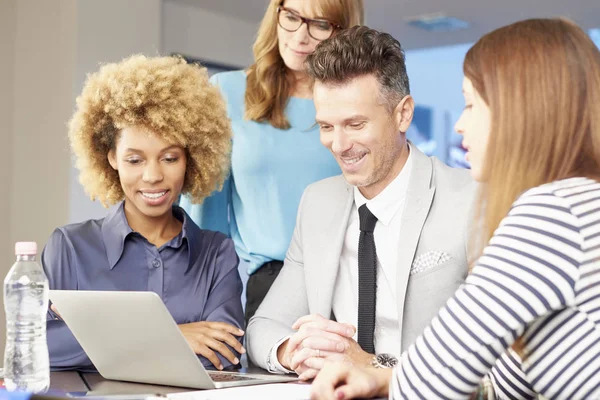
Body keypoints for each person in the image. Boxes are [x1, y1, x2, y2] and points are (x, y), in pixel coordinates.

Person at [311, 18, 600, 400]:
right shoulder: (583, 202)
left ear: (521, 111)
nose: (460, 125)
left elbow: (438, 375)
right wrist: (384, 379)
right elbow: (502, 385)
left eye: (470, 103)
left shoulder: (552, 215)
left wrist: (384, 375)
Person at [246, 26, 477, 379]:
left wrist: (373, 366)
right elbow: (263, 326)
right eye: (326, 126)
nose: (338, 145)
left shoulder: (471, 201)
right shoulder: (317, 203)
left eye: (354, 124)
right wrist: (293, 351)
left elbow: (492, 358)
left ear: (403, 114)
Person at [44, 55, 245, 372]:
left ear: (190, 159)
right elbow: (47, 348)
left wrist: (99, 341)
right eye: (135, 160)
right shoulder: (70, 248)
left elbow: (223, 355)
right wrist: (174, 336)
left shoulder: (216, 253)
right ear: (112, 158)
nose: (152, 176)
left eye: (169, 158)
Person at [179, 0, 364, 329]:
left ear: (342, 31)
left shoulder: (354, 103)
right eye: (291, 16)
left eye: (319, 25)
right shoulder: (228, 92)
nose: (300, 36)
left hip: (350, 281)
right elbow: (205, 214)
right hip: (268, 284)